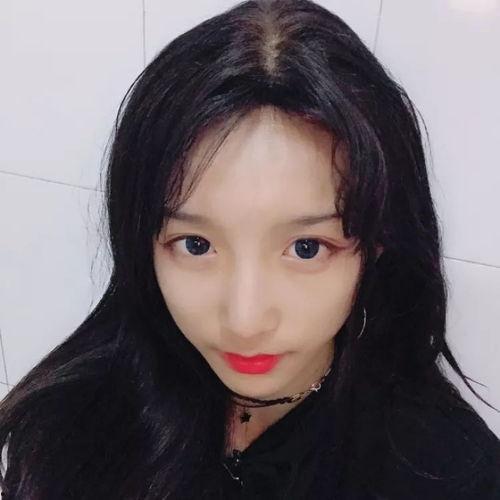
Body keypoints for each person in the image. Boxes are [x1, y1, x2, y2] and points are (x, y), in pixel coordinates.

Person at [0, 0, 499, 498]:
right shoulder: (69, 423)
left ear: (379, 241)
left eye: (307, 248)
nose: (245, 320)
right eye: (196, 245)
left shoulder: (446, 472)